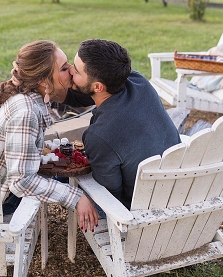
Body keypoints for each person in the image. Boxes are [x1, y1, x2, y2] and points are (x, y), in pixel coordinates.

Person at [0, 40, 99, 231]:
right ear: (43, 81)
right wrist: (76, 197)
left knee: (67, 169)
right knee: (78, 183)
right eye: (63, 68)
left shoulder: (22, 94)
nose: (71, 71)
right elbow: (21, 182)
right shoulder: (25, 113)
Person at [69, 39, 181, 212]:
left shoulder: (99, 135)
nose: (69, 70)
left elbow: (109, 196)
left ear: (98, 86)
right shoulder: (138, 81)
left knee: (61, 178)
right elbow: (88, 93)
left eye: (75, 71)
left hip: (139, 212)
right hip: (179, 188)